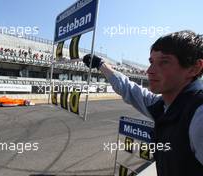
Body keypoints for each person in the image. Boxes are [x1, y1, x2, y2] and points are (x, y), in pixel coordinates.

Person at [83, 30, 203, 176]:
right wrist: (100, 64)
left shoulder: (199, 113)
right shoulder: (163, 105)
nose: (149, 71)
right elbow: (129, 89)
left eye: (164, 62)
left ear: (194, 68)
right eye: (151, 62)